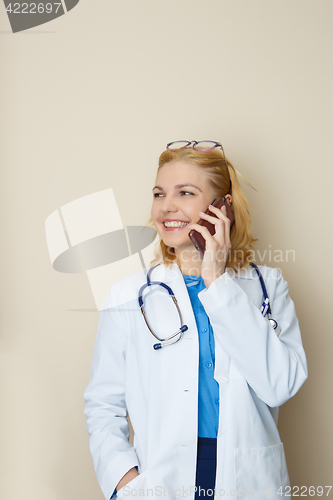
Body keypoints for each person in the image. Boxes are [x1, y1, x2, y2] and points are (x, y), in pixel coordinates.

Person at [83, 140, 308, 500]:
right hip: (161, 478)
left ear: (223, 207)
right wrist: (125, 483)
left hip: (247, 478)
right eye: (159, 194)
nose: (166, 207)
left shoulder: (267, 286)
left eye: (185, 192)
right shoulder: (127, 296)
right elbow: (103, 405)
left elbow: (279, 385)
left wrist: (216, 280)